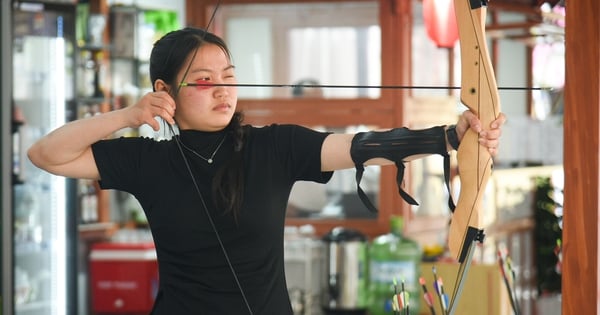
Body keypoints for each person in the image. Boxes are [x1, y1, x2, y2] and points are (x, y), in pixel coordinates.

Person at [27, 27, 506, 314]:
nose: (222, 91)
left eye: (229, 78)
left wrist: (448, 136)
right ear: (164, 90)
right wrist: (129, 116)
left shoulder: (272, 146)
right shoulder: (148, 160)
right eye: (204, 81)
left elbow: (360, 147)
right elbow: (46, 154)